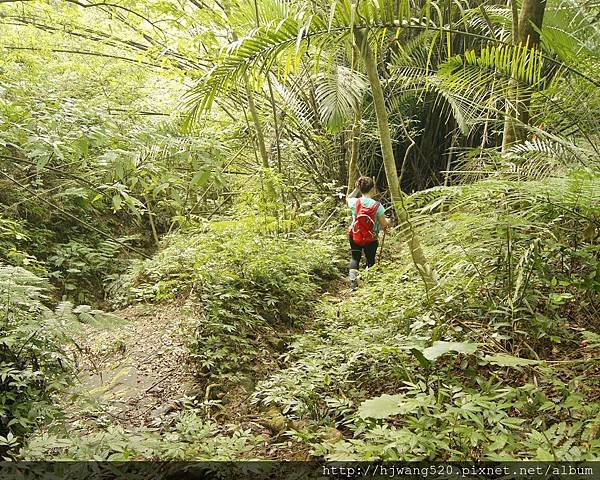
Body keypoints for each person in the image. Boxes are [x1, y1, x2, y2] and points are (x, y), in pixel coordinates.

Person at [346, 176, 390, 289]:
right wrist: (388, 221)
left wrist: (356, 189)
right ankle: (370, 286)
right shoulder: (377, 206)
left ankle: (353, 284)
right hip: (371, 237)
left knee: (355, 258)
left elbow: (348, 198)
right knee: (370, 259)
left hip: (355, 235)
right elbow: (384, 224)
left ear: (360, 188)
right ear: (373, 188)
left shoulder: (354, 202)